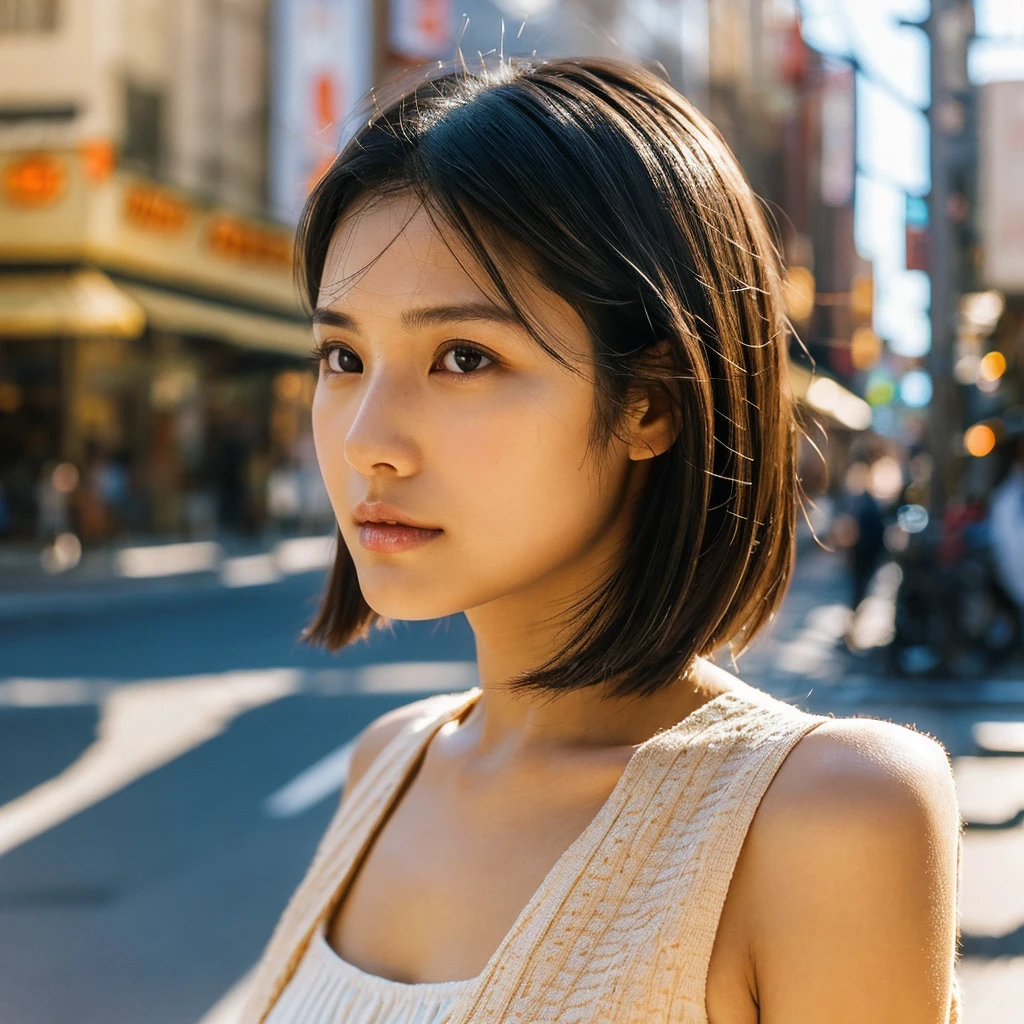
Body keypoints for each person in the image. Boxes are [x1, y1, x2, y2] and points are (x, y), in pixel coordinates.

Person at [242, 58, 963, 1024]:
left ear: (650, 403)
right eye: (344, 356)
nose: (367, 437)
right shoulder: (391, 763)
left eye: (465, 357)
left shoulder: (825, 815)